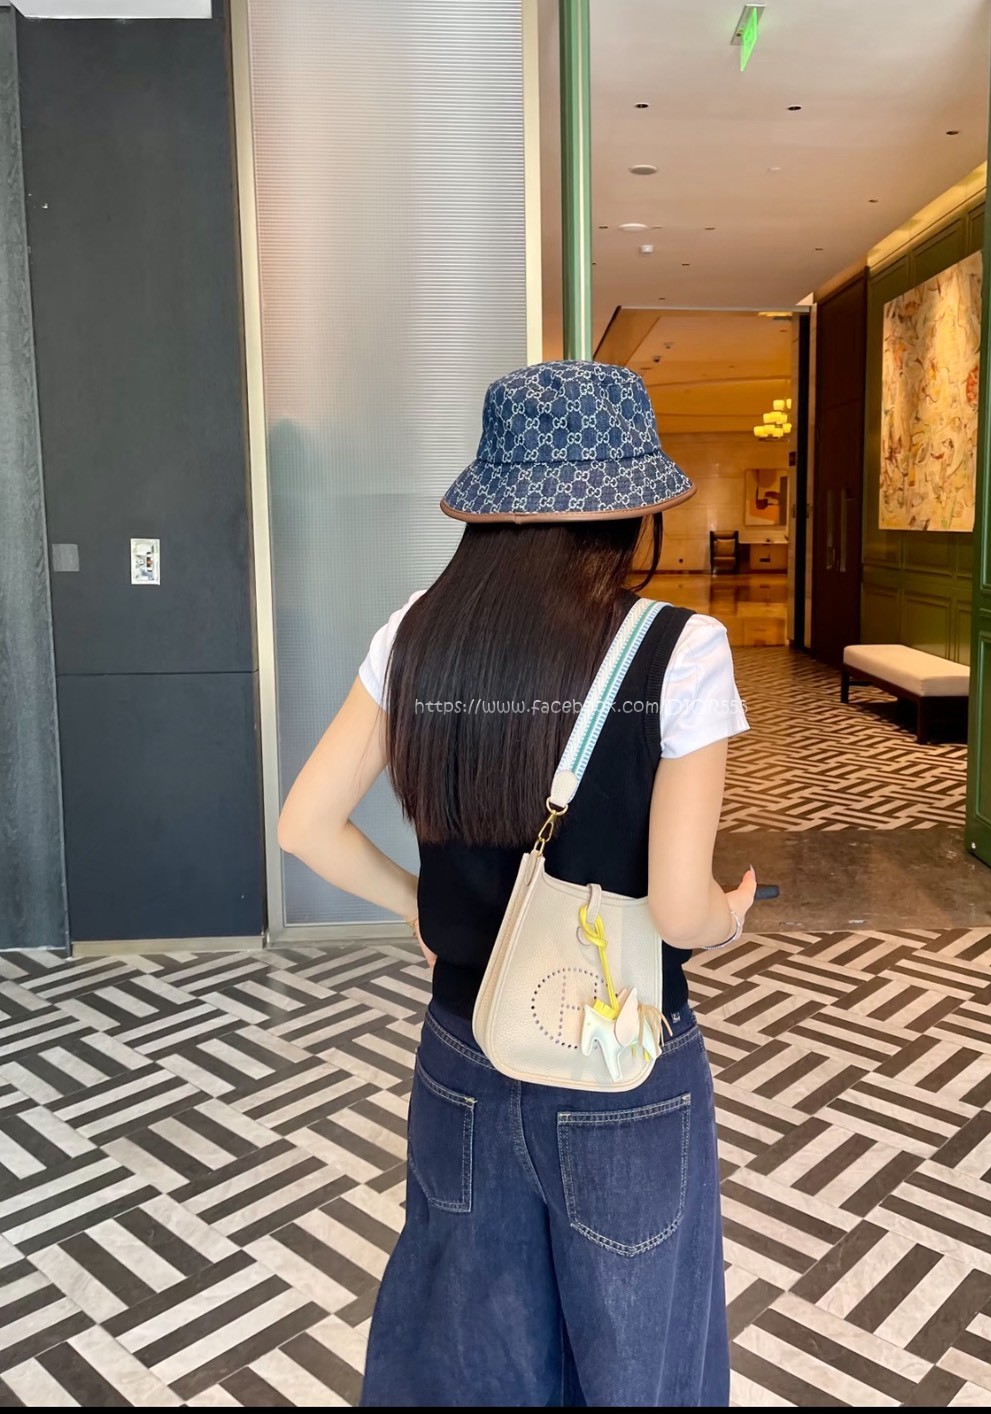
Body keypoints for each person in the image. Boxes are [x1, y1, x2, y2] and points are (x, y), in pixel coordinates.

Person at [278, 360, 756, 1407]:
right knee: (639, 1358)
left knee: (470, 1358)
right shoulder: (681, 651)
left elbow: (304, 825)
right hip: (622, 1056)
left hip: (464, 1047)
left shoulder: (416, 633)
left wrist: (420, 908)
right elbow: (679, 907)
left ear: (491, 508)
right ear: (632, 510)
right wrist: (730, 914)